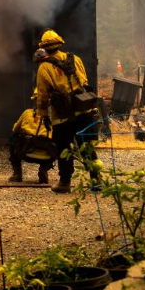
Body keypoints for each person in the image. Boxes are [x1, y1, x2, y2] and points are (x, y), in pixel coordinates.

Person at [34, 29, 96, 193]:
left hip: (62, 115)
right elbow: (84, 81)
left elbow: (42, 94)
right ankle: (96, 180)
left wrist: (44, 115)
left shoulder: (44, 67)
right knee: (87, 146)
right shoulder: (75, 59)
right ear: (59, 44)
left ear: (44, 48)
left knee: (64, 148)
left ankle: (65, 182)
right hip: (83, 110)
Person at [8, 88, 55, 184]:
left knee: (13, 138)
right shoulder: (55, 117)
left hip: (26, 152)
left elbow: (15, 129)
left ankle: (17, 174)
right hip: (48, 155)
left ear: (35, 100)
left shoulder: (27, 113)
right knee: (57, 142)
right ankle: (44, 169)